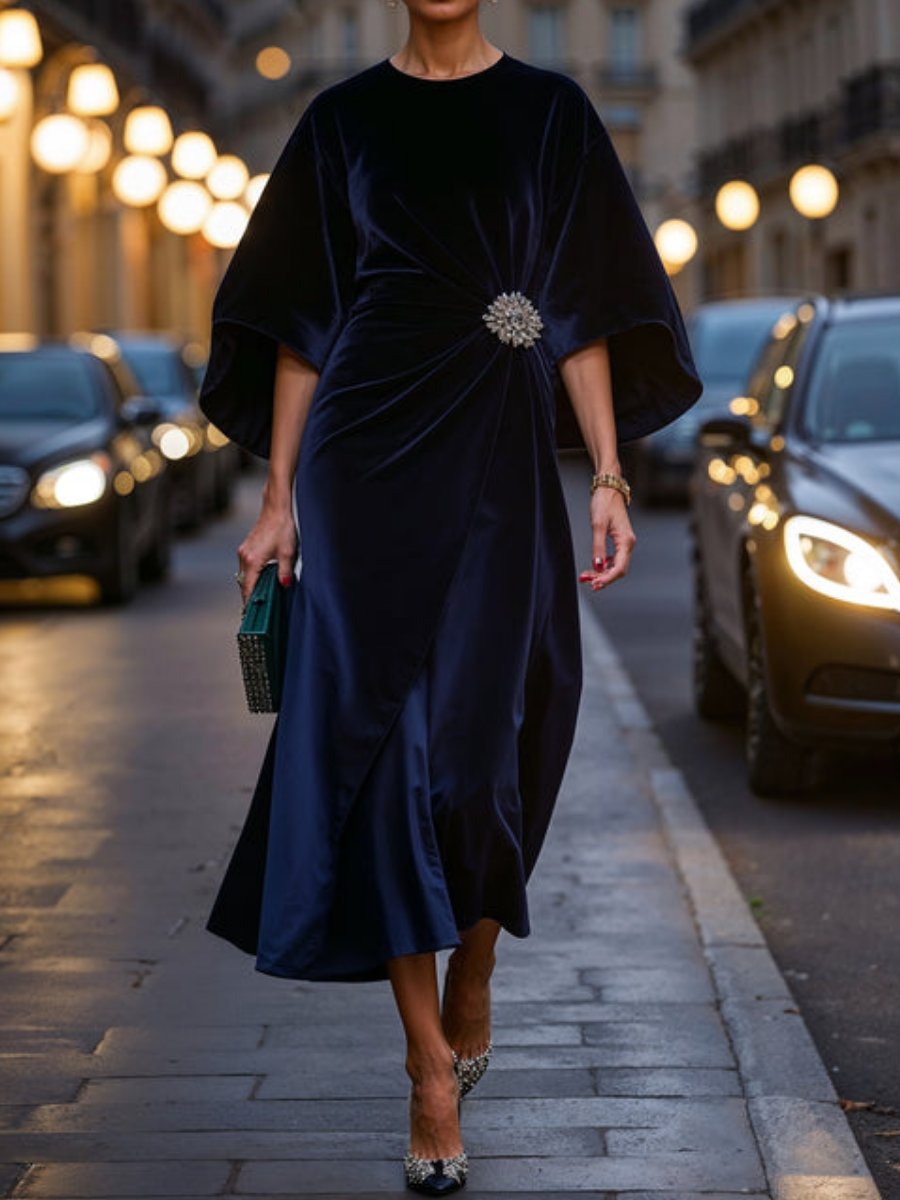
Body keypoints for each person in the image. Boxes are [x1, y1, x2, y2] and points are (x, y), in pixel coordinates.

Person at [198, 0, 702, 1193]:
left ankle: (474, 964)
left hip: (499, 452)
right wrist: (275, 499)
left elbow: (580, 314)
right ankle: (428, 1064)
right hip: (364, 458)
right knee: (380, 757)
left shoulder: (551, 114)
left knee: (484, 753)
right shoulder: (341, 123)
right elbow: (298, 329)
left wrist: (611, 478)